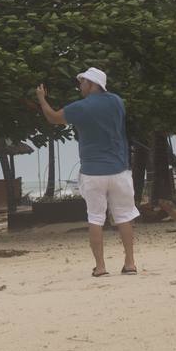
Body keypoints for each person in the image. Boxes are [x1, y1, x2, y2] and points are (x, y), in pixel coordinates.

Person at [36, 67, 139, 276]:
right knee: (124, 217)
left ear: (92, 84)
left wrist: (41, 99)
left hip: (93, 172)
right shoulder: (117, 101)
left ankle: (100, 267)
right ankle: (130, 263)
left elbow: (53, 118)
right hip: (119, 170)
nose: (80, 86)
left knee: (95, 218)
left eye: (82, 82)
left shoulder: (81, 108)